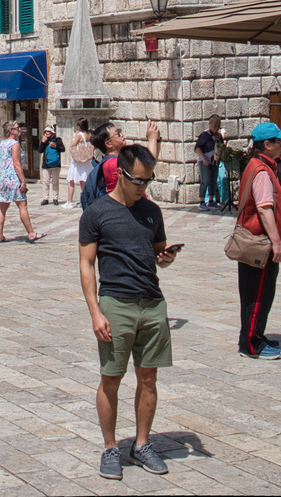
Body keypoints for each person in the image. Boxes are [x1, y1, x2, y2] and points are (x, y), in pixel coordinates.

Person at [79, 143, 176, 480]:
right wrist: (95, 312)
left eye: (148, 182)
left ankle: (142, 444)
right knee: (111, 378)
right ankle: (109, 448)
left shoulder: (152, 212)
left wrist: (166, 258)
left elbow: (158, 252)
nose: (143, 188)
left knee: (149, 378)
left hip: (151, 303)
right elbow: (86, 264)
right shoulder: (97, 213)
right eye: (138, 181)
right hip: (115, 304)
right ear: (120, 174)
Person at [234, 122, 281, 360]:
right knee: (257, 295)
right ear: (267, 145)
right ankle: (251, 344)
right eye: (278, 142)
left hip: (256, 241)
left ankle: (255, 334)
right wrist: (276, 243)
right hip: (260, 244)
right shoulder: (262, 172)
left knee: (258, 293)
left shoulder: (255, 166)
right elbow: (265, 209)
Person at [0, 121, 43, 242]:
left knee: (2, 208)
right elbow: (16, 164)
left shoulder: (2, 143)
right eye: (17, 128)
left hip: (2, 178)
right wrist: (23, 180)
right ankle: (31, 233)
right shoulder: (14, 144)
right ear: (11, 131)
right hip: (13, 178)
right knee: (23, 206)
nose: (20, 130)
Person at [194, 114, 224, 210]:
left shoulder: (219, 136)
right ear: (210, 125)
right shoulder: (205, 136)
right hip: (205, 162)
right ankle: (202, 202)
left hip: (215, 162)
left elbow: (221, 147)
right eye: (215, 125)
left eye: (218, 126)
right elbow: (197, 147)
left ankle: (211, 201)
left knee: (213, 181)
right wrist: (203, 159)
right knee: (205, 181)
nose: (217, 128)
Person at [66, 124, 95, 208]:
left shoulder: (79, 135)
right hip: (87, 160)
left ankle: (69, 201)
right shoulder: (89, 134)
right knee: (84, 180)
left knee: (71, 180)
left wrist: (72, 141)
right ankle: (84, 200)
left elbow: (73, 145)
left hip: (78, 160)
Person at [40, 126, 64, 206]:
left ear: (52, 132)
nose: (47, 133)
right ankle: (45, 198)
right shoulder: (45, 141)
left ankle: (55, 198)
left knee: (55, 182)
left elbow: (63, 149)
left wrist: (55, 146)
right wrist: (43, 143)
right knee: (45, 182)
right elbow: (40, 150)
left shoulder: (57, 140)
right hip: (46, 164)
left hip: (56, 164)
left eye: (48, 131)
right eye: (46, 131)